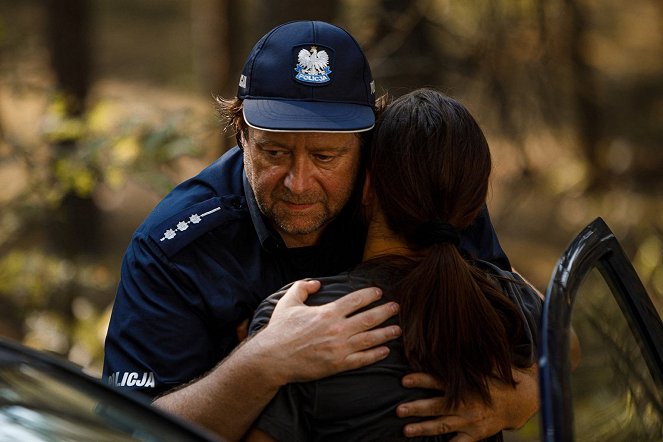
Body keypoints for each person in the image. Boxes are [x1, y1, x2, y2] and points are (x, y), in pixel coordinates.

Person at [103, 21, 538, 441]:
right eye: (274, 152)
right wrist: (261, 364)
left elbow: (541, 322)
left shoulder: (411, 195)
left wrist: (526, 393)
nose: (299, 182)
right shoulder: (175, 248)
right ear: (240, 135)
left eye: (326, 157)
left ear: (369, 151)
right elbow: (128, 430)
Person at [243, 89, 544, 442]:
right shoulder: (508, 300)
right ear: (474, 205)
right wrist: (527, 395)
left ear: (367, 186)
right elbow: (565, 339)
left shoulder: (298, 318)